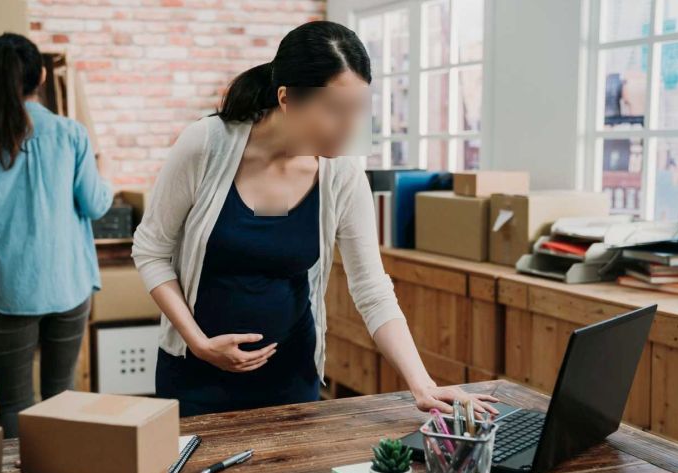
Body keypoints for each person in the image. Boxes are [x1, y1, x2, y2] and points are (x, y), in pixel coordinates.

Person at [132, 21, 499, 417]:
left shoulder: (341, 176)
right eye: (334, 111)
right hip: (195, 375)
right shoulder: (205, 146)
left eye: (358, 109)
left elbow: (372, 290)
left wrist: (422, 384)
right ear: (287, 98)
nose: (349, 128)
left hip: (291, 379)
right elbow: (151, 250)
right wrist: (199, 342)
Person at [0, 33, 113, 437]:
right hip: (67, 283)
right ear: (41, 75)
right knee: (63, 395)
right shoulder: (72, 134)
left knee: (13, 404)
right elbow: (95, 205)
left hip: (9, 289)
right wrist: (105, 172)